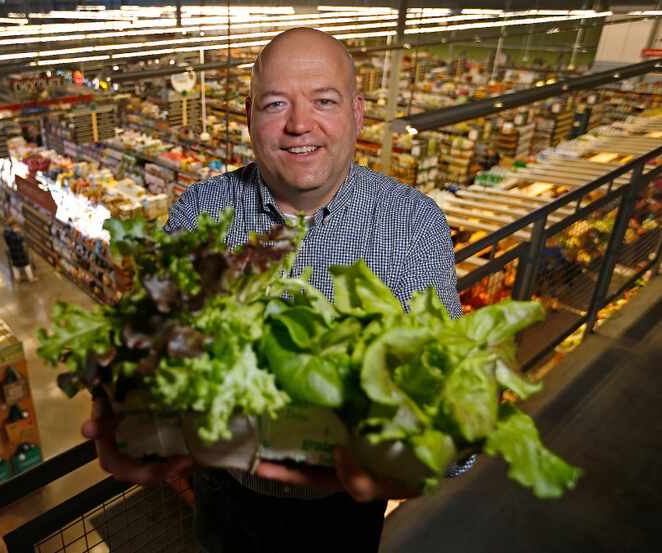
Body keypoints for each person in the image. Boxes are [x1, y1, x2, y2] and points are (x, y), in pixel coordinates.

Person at [82, 28, 471, 552]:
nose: (298, 124)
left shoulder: (412, 223)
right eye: (275, 104)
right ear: (248, 116)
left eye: (324, 101)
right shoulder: (200, 211)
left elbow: (447, 414)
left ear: (357, 113)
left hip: (346, 516)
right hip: (226, 501)